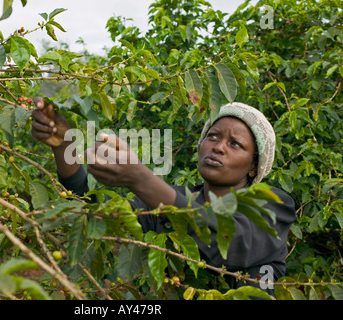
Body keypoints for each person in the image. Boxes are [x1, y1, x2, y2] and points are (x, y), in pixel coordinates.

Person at [31, 98, 296, 296]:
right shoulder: (168, 200)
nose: (218, 147)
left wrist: (141, 179)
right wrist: (65, 145)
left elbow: (230, 243)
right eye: (212, 136)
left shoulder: (272, 205)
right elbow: (94, 210)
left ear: (253, 166)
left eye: (235, 144)